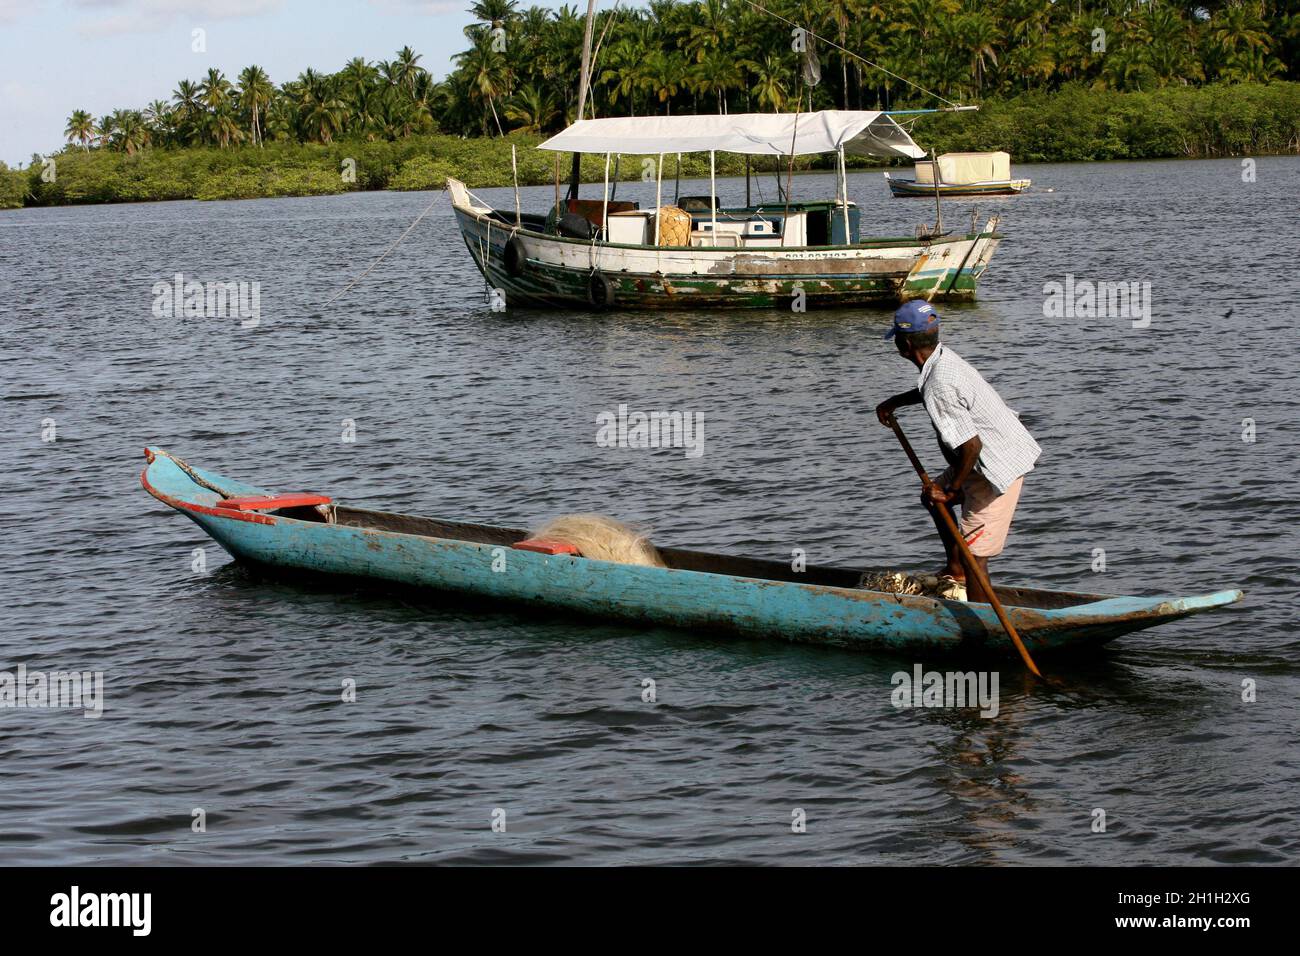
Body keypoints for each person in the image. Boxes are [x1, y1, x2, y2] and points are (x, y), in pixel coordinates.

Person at [875, 301, 1041, 602]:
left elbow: (972, 446)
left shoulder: (940, 381)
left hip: (994, 467)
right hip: (987, 457)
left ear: (906, 344)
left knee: (975, 555)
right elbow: (929, 390)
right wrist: (894, 401)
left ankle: (982, 624)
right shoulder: (941, 359)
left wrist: (952, 489)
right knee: (931, 496)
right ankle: (956, 570)